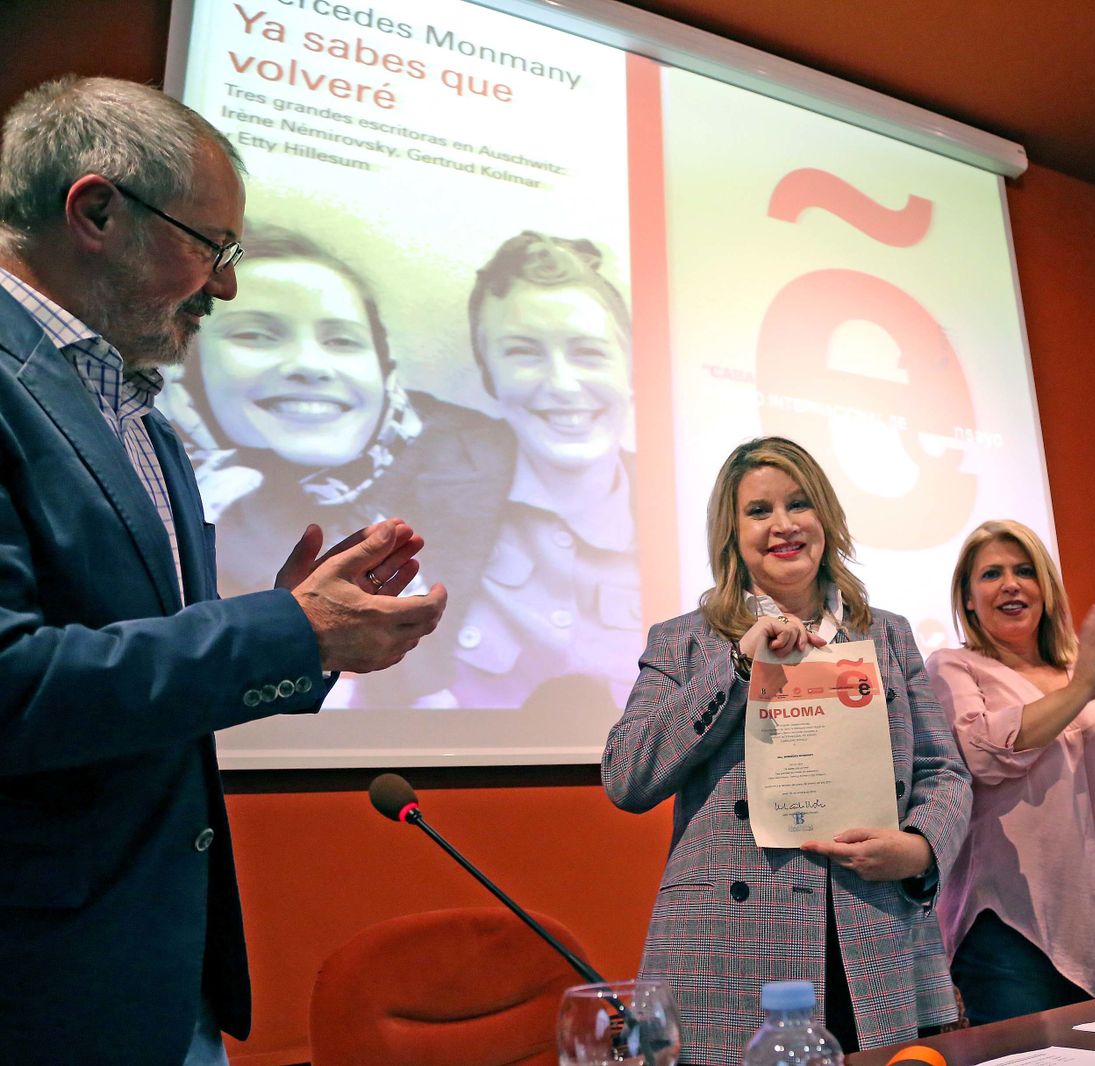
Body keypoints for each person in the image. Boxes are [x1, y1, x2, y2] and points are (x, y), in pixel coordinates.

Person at [0, 76, 446, 1064]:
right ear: (97, 210)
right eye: (214, 246)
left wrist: (297, 625)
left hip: (158, 975)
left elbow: (137, 676)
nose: (227, 285)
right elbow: (13, 684)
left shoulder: (142, 419)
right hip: (41, 990)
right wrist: (285, 631)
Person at [601, 436, 971, 1066]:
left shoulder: (887, 633)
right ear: (731, 534)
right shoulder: (685, 643)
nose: (783, 525)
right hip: (728, 948)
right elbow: (627, 777)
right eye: (759, 511)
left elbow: (944, 773)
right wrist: (738, 662)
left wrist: (918, 849)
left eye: (799, 504)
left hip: (868, 930)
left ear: (825, 517)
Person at [160, 222, 512, 600]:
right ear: (189, 368)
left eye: (342, 340)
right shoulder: (141, 479)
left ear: (385, 368)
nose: (311, 365)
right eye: (255, 335)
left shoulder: (487, 463)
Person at [927, 519, 1095, 1023]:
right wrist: (1079, 691)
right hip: (1012, 930)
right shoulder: (954, 667)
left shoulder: (1086, 672)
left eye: (1024, 571)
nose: (1011, 584)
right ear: (969, 598)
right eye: (991, 574)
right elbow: (981, 752)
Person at [445, 230, 641, 714]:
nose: (562, 384)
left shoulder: (693, 518)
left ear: (631, 370)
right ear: (489, 374)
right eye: (523, 352)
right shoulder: (429, 497)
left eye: (589, 353)